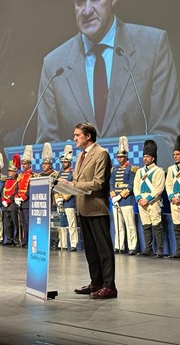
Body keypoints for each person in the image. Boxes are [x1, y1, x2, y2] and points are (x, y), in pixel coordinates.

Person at [36, 0, 180, 154]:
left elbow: (167, 133)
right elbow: (47, 149)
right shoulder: (54, 65)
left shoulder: (153, 46)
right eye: (80, 0)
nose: (86, 10)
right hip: (77, 184)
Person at [59, 122, 116, 299]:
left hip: (97, 208)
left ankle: (109, 286)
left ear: (88, 136)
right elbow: (80, 181)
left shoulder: (101, 154)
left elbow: (98, 183)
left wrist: (72, 185)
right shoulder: (81, 155)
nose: (74, 138)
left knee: (103, 250)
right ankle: (96, 282)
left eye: (77, 135)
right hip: (83, 208)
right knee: (91, 249)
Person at [134, 139, 166, 257]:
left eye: (147, 156)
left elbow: (159, 188)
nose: (145, 158)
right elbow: (136, 186)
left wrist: (147, 199)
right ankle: (148, 248)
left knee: (156, 225)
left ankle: (159, 250)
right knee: (146, 225)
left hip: (152, 201)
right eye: (144, 156)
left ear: (153, 158)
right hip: (141, 201)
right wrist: (139, 198)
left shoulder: (159, 171)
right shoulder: (139, 171)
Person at [109, 136, 138, 255]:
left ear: (126, 157)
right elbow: (111, 184)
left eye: (121, 157)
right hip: (116, 202)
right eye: (118, 157)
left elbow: (131, 186)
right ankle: (118, 246)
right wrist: (113, 196)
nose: (119, 159)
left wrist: (120, 196)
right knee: (118, 225)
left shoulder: (132, 169)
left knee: (130, 225)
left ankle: (132, 247)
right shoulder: (113, 170)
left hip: (127, 200)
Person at [54, 145, 79, 252]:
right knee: (61, 224)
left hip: (69, 202)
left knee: (71, 223)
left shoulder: (73, 173)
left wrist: (65, 197)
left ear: (69, 162)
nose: (63, 164)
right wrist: (57, 198)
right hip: (60, 202)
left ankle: (73, 243)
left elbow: (74, 186)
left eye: (65, 162)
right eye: (62, 162)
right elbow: (55, 187)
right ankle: (62, 243)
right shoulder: (59, 173)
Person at [14, 145, 36, 248]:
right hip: (20, 202)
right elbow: (17, 187)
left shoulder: (33, 175)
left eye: (25, 163)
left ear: (29, 164)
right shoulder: (21, 175)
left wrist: (23, 197)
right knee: (23, 223)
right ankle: (24, 240)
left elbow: (31, 189)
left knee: (28, 223)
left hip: (27, 202)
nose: (23, 165)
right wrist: (16, 197)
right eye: (23, 163)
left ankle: (29, 241)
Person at [165, 136, 180, 258]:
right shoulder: (171, 169)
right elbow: (168, 185)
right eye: (174, 154)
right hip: (174, 201)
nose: (175, 156)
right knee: (177, 227)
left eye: (178, 154)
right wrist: (171, 197)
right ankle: (178, 250)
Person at [1, 154, 20, 246]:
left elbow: (15, 192)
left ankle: (16, 239)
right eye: (9, 171)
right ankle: (9, 239)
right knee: (7, 224)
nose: (9, 172)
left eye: (11, 171)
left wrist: (8, 201)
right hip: (5, 204)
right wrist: (3, 200)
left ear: (15, 172)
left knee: (15, 223)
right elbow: (3, 191)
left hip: (12, 204)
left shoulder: (17, 181)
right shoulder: (7, 180)